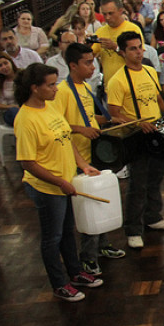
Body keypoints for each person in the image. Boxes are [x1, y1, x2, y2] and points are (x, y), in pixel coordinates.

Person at [14, 63, 104, 302]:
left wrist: (82, 164)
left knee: (67, 232)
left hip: (64, 182)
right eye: (51, 85)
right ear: (34, 88)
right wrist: (59, 182)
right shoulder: (25, 119)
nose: (56, 89)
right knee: (52, 238)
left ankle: (75, 272)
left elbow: (66, 137)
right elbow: (27, 162)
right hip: (47, 188)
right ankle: (59, 283)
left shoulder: (50, 107)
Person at [53, 42, 126, 275]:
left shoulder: (84, 86)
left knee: (100, 203)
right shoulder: (62, 92)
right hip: (77, 157)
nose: (93, 67)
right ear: (73, 65)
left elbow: (88, 116)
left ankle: (102, 245)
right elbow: (57, 125)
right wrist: (80, 129)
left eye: (92, 62)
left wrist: (107, 120)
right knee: (88, 209)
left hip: (92, 153)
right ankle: (87, 257)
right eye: (87, 63)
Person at [107, 31, 164, 249]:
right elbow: (114, 115)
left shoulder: (149, 71)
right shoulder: (117, 80)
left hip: (156, 132)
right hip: (136, 136)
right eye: (133, 49)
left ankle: (153, 217)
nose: (139, 52)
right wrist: (138, 123)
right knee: (138, 183)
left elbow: (159, 100)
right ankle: (133, 229)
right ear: (122, 52)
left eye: (140, 47)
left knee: (156, 177)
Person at [93, 0, 145, 87]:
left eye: (111, 13)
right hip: (110, 86)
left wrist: (116, 48)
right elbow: (90, 55)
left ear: (120, 11)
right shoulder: (100, 32)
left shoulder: (133, 29)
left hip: (131, 85)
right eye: (104, 14)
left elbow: (138, 57)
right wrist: (87, 46)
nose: (107, 17)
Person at [0, 52, 20, 127]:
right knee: (16, 114)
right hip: (10, 111)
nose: (4, 67)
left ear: (11, 62)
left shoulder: (22, 74)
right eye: (0, 66)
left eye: (6, 63)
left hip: (26, 108)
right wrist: (10, 106)